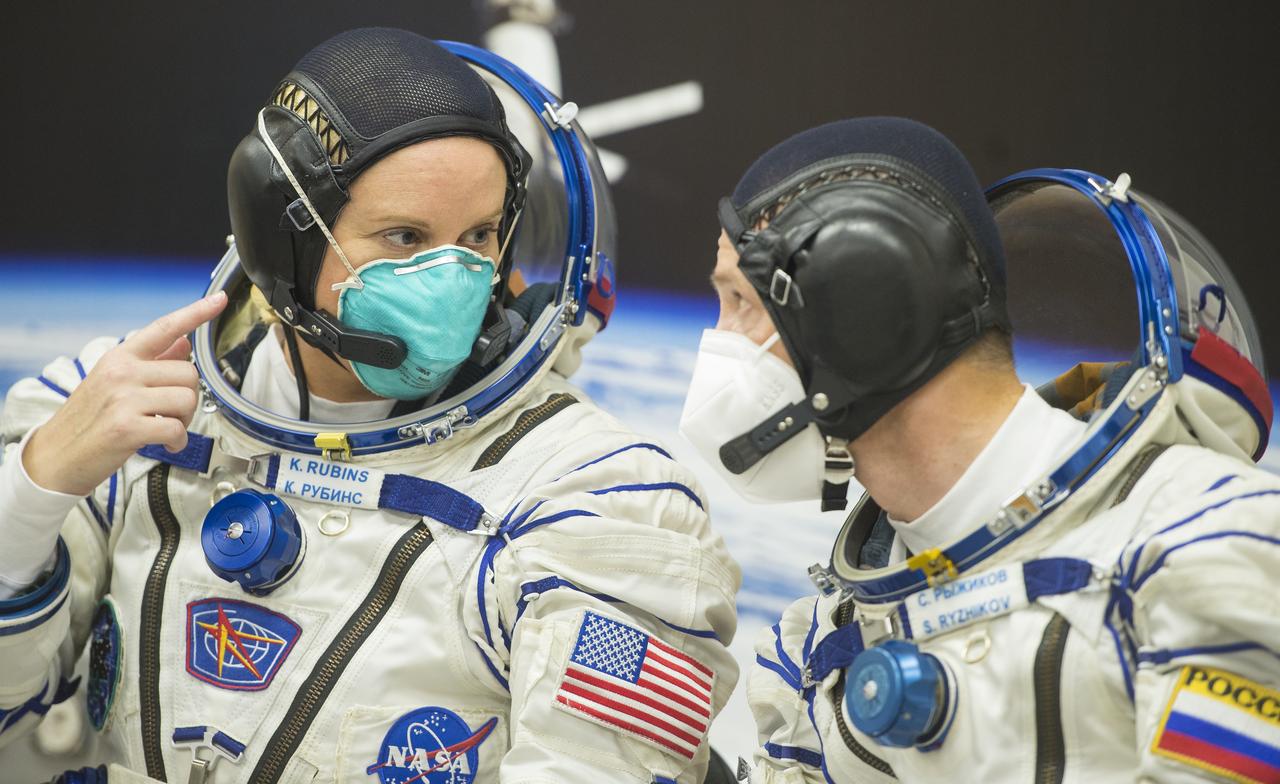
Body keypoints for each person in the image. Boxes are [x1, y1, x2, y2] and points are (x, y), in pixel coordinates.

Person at [0, 28, 740, 784]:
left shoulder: (598, 500)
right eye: (404, 236)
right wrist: (32, 492)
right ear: (280, 238)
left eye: (480, 236)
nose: (452, 278)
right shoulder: (114, 414)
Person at [678, 117, 1280, 782]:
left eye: (740, 301)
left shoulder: (1208, 539)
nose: (720, 341)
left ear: (867, 307)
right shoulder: (817, 648)